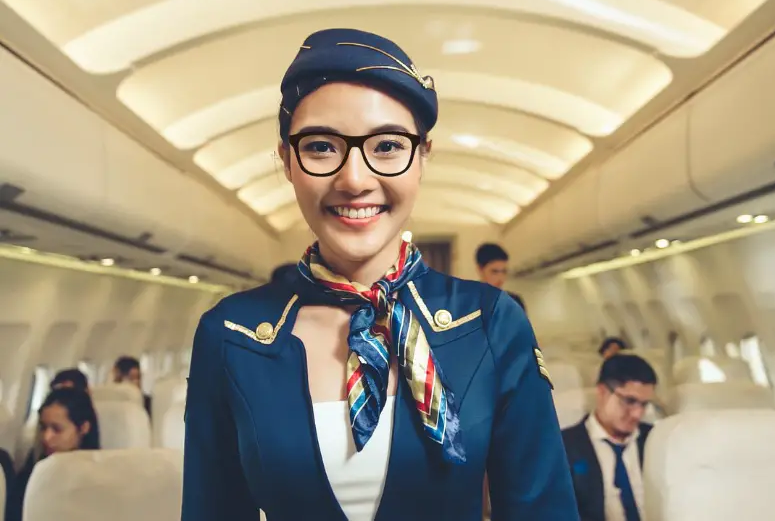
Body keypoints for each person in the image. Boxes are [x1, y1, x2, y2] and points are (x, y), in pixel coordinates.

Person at [181, 28, 579, 521]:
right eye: (322, 147)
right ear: (286, 160)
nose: (354, 179)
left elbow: (543, 511)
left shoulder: (490, 324)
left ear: (423, 157)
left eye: (388, 146)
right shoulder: (231, 334)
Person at [561, 354, 658, 521]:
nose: (637, 414)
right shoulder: (564, 448)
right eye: (629, 401)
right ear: (602, 392)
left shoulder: (656, 439)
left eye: (644, 404)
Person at [9, 387, 100, 521]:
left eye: (57, 429)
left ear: (83, 428)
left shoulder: (99, 479)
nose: (46, 437)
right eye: (44, 427)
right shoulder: (30, 475)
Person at [475, 243, 526, 312]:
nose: (500, 278)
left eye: (504, 271)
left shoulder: (514, 302)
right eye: (494, 272)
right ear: (480, 269)